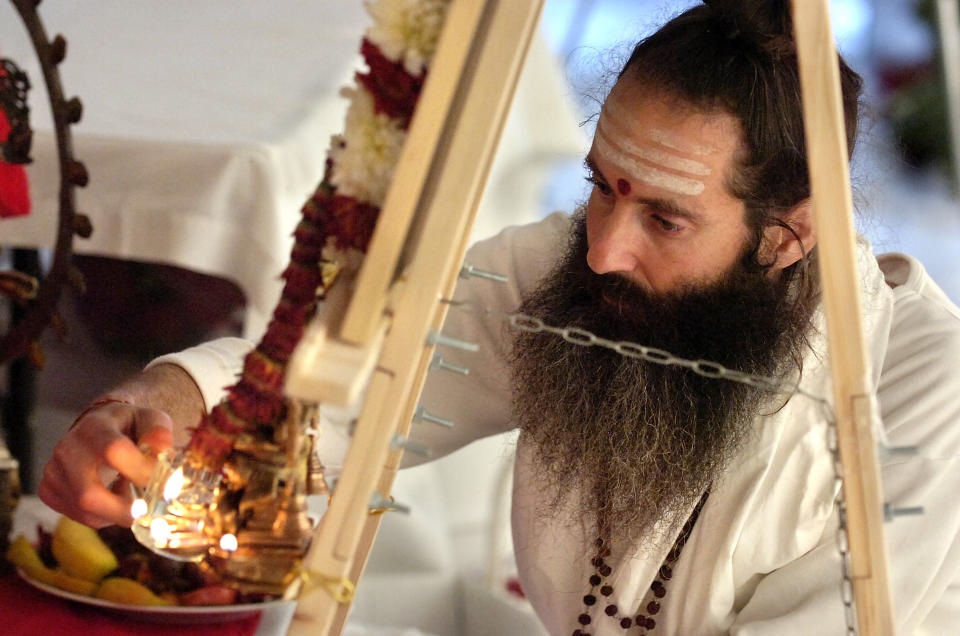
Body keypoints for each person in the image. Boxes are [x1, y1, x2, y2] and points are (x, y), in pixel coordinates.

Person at [39, 1, 960, 634]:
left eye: (665, 219)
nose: (603, 250)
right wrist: (165, 403)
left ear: (788, 238)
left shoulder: (922, 398)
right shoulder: (564, 278)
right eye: (604, 186)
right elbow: (348, 378)